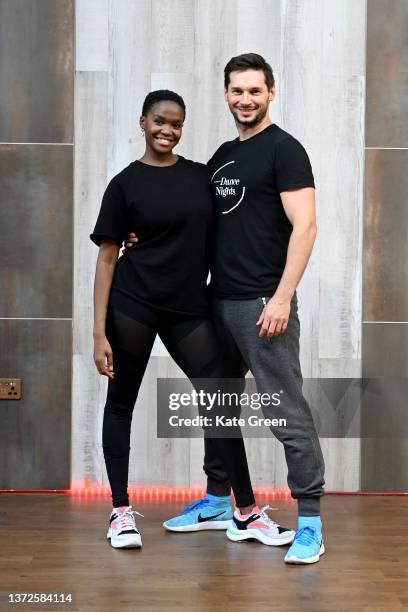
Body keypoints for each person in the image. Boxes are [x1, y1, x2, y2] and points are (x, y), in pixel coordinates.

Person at [126, 55, 326, 565]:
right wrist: (138, 233)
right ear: (225, 95)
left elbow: (305, 228)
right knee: (218, 404)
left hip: (262, 305)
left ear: (271, 93)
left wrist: (281, 297)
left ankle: (310, 522)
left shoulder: (285, 150)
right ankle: (220, 501)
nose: (246, 99)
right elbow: (189, 213)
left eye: (255, 91)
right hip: (215, 302)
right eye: (237, 90)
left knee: (286, 409)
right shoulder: (220, 158)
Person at [90, 89, 294, 550]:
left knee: (219, 399)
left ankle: (244, 512)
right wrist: (97, 331)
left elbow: (236, 218)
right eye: (160, 121)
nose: (168, 130)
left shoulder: (202, 177)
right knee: (121, 402)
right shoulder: (123, 184)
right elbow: (106, 259)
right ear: (142, 122)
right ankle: (120, 512)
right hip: (132, 304)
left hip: (187, 308)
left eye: (177, 124)